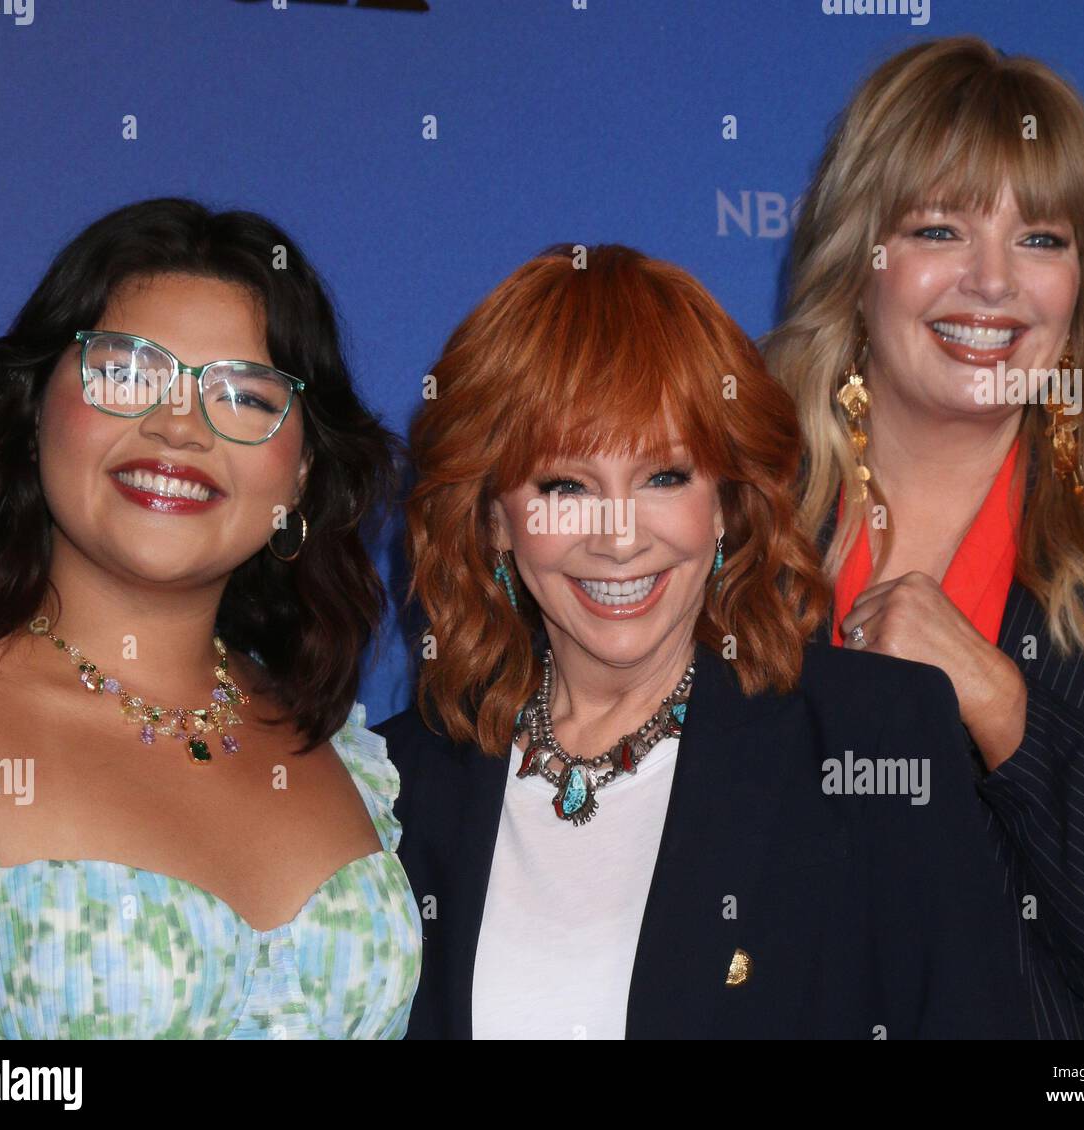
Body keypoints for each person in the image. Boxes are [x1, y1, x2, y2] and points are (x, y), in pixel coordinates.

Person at [378, 242, 1032, 1039]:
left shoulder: (872, 734)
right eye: (565, 485)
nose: (619, 539)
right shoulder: (400, 784)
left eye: (663, 478)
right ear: (493, 519)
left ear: (725, 503)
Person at [761, 36, 1084, 1039]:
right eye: (939, 229)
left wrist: (1000, 706)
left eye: (1041, 239)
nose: (991, 284)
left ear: (1082, 285)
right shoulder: (724, 530)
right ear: (857, 264)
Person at [0, 198, 420, 1039]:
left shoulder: (347, 751)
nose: (178, 427)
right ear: (33, 406)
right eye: (125, 372)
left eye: (245, 394)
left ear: (300, 471)